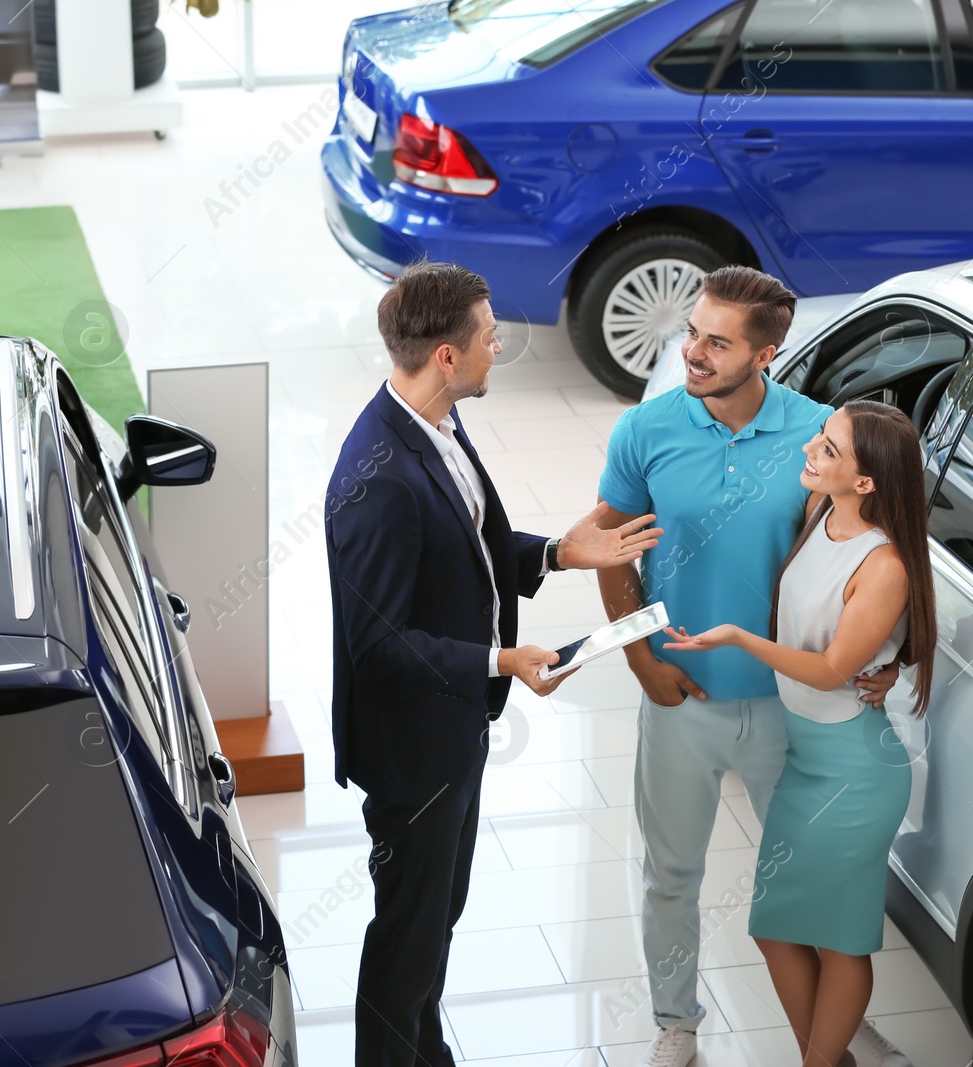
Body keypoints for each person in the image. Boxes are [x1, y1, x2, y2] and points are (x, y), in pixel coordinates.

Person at [325, 261, 662, 1067]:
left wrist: (558, 551)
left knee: (439, 914)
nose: (498, 346)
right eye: (488, 336)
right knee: (408, 931)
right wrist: (501, 659)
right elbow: (379, 645)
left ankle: (424, 1051)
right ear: (446, 356)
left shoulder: (436, 423)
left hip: (453, 732)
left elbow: (465, 551)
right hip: (413, 754)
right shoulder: (379, 481)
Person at [594, 267, 903, 1067]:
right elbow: (607, 548)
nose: (692, 352)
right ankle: (675, 1022)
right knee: (671, 872)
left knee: (813, 878)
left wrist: (890, 657)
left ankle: (834, 1025)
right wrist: (639, 660)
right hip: (679, 697)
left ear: (767, 352)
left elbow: (870, 553)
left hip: (790, 709)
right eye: (692, 333)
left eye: (717, 342)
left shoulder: (816, 437)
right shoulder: (646, 429)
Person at [662, 401, 937, 1067]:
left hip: (854, 775)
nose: (811, 449)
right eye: (821, 436)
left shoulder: (886, 566)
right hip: (807, 760)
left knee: (842, 940)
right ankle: (830, 1058)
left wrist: (737, 638)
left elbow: (833, 668)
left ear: (866, 482)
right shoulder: (820, 513)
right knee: (777, 928)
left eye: (831, 448)